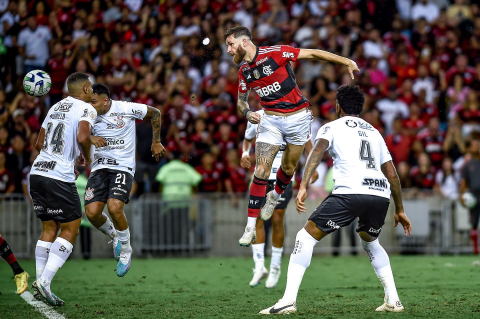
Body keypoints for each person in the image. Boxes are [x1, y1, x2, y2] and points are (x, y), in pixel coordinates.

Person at [260, 84, 412, 315]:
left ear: (338, 107)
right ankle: (394, 300)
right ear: (360, 108)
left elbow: (317, 151)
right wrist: (399, 209)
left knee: (305, 236)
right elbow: (392, 174)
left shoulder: (331, 127)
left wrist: (303, 185)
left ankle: (288, 300)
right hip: (380, 194)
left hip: (350, 192)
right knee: (370, 241)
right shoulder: (374, 132)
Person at [224, 26, 360, 247]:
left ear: (244, 42)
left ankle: (274, 198)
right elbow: (241, 100)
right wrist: (247, 112)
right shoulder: (244, 72)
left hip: (297, 118)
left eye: (231, 44)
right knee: (261, 170)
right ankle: (250, 227)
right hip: (270, 120)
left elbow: (313, 53)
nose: (229, 50)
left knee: (288, 169)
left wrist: (345, 61)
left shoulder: (275, 53)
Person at [30, 72, 98, 306]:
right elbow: (82, 135)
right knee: (71, 228)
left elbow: (39, 143)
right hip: (58, 176)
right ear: (87, 89)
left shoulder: (55, 107)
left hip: (38, 171)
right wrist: (86, 157)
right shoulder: (87, 108)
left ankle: (40, 282)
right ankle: (45, 283)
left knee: (49, 227)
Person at [85, 83, 165, 277]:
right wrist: (88, 141)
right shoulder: (87, 114)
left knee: (114, 207)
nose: (90, 105)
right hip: (99, 168)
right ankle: (115, 235)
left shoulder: (126, 108)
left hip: (122, 166)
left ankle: (126, 250)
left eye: (94, 101)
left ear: (105, 100)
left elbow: (155, 113)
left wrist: (156, 142)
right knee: (92, 213)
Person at [241, 108, 318, 288]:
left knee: (277, 219)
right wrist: (245, 154)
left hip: (282, 178)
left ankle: (275, 267)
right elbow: (247, 138)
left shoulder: (295, 117)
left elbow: (308, 146)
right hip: (260, 177)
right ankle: (259, 266)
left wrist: (311, 169)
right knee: (258, 221)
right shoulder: (257, 115)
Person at [459, 138, 480, 255]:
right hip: (474, 196)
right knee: (474, 223)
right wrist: (461, 195)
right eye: (474, 145)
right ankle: (475, 249)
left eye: (478, 145)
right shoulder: (468, 165)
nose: (476, 147)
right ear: (470, 148)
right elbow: (463, 181)